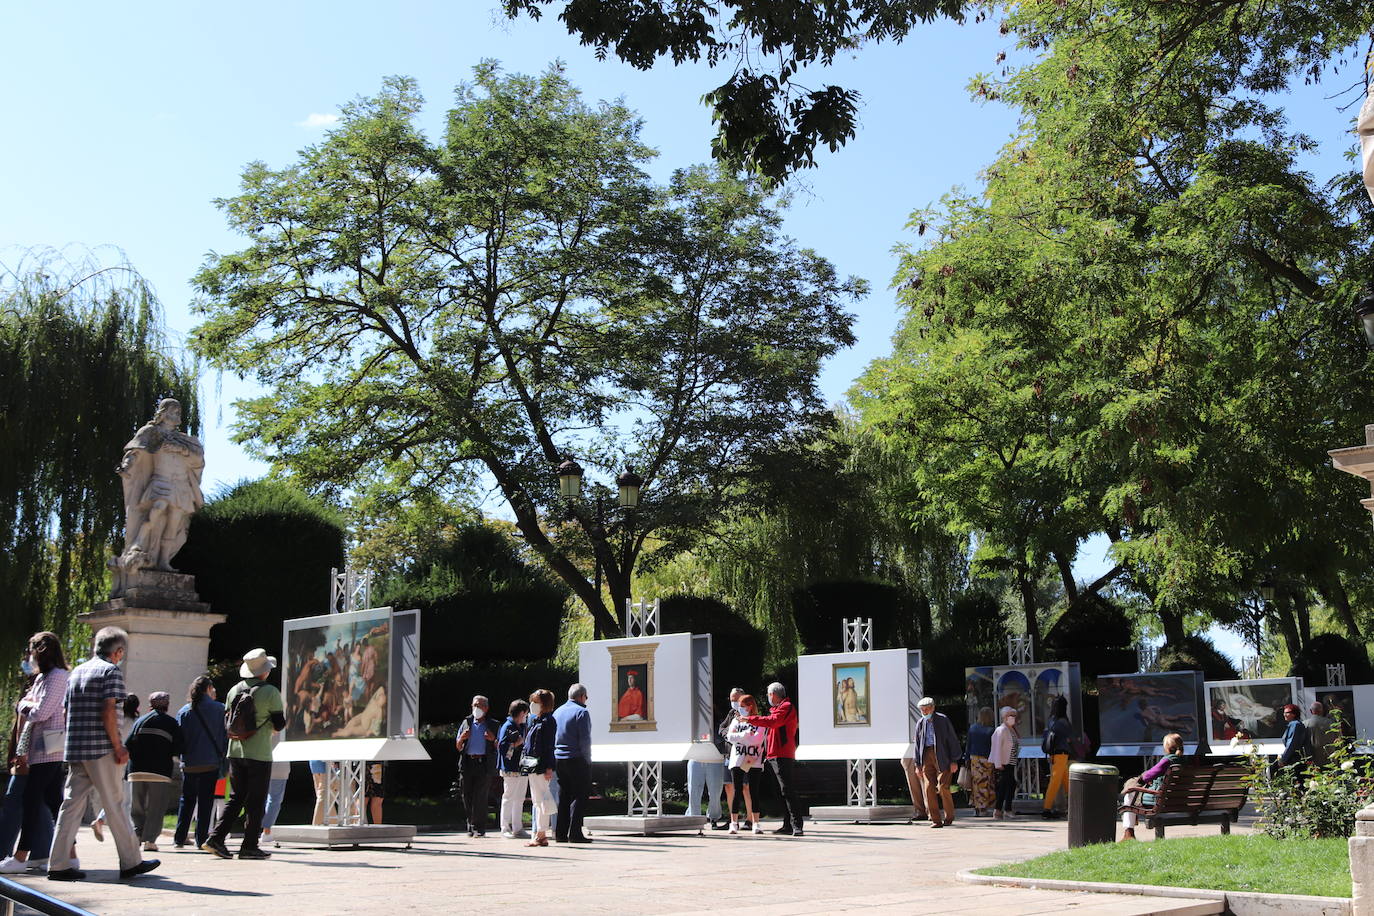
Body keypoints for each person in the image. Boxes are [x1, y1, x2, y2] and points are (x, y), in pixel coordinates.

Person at [46, 626, 159, 881]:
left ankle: (59, 863)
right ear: (118, 651)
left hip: (76, 748)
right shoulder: (111, 672)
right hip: (102, 748)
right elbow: (109, 711)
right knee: (116, 804)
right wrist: (118, 745)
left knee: (71, 806)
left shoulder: (77, 672)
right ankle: (131, 861)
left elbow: (67, 712)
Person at [203, 648, 285, 861]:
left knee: (236, 797)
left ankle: (216, 838)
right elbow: (279, 724)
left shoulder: (233, 690)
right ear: (265, 672)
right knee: (256, 801)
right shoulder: (271, 692)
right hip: (259, 753)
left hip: (235, 750)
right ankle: (249, 846)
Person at [0, 633, 71, 875]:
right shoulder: (42, 677)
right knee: (53, 801)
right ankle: (70, 855)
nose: (29, 656)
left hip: (49, 748)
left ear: (41, 651)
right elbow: (34, 705)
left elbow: (40, 711)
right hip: (39, 749)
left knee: (32, 801)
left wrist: (23, 705)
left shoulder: (58, 677)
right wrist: (28, 704)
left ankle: (21, 856)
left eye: (31, 650)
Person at [739, 682, 802, 837]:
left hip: (783, 754)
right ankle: (787, 825)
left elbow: (774, 722)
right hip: (774, 755)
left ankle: (797, 825)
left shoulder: (786, 707)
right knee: (780, 791)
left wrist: (750, 719)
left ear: (773, 694)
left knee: (787, 790)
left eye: (768, 694)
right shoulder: (777, 709)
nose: (768, 697)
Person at [126, 691, 183, 852]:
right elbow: (178, 747)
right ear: (167, 705)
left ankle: (137, 835)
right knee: (156, 808)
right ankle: (150, 841)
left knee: (137, 807)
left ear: (150, 704)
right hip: (159, 772)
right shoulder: (171, 723)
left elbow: (128, 744)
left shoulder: (139, 721)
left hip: (136, 770)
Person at [174, 675, 226, 849]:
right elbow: (224, 736)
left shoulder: (184, 711)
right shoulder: (219, 709)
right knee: (206, 801)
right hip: (211, 761)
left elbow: (178, 738)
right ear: (209, 689)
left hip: (189, 762)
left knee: (186, 800)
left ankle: (179, 838)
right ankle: (201, 839)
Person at [1118, 732, 1187, 841]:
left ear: (1167, 747)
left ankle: (1129, 833)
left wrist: (1141, 779)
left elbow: (1147, 776)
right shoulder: (1185, 761)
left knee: (1130, 793)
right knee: (1133, 792)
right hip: (1179, 798)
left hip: (1160, 799)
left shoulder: (1167, 761)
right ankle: (1129, 833)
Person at [91, 693, 140, 842]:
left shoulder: (118, 720)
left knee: (116, 795)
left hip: (114, 758)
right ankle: (123, 830)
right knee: (125, 799)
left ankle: (102, 819)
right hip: (128, 762)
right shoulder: (136, 722)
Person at [553, 683, 593, 844]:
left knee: (564, 796)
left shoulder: (558, 711)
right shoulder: (582, 712)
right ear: (582, 696)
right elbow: (585, 740)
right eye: (586, 697)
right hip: (576, 758)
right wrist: (588, 760)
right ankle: (575, 833)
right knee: (579, 796)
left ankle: (560, 833)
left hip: (559, 759)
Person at [912, 697, 961, 828]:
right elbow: (917, 745)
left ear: (933, 708)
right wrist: (917, 765)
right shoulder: (920, 723)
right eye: (922, 710)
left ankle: (949, 817)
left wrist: (954, 760)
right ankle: (935, 820)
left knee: (943, 787)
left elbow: (952, 739)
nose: (924, 711)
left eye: (927, 709)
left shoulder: (943, 720)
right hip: (927, 756)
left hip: (943, 756)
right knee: (928, 788)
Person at [456, 695, 500, 837]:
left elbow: (500, 745)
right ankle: (471, 825)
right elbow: (458, 746)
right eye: (475, 705)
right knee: (466, 795)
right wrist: (462, 738)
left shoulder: (493, 724)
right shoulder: (466, 722)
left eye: (480, 706)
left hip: (484, 764)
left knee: (481, 797)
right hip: (467, 762)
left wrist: (493, 739)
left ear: (486, 708)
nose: (477, 708)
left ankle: (479, 828)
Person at [725, 694, 768, 835]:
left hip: (753, 759)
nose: (741, 709)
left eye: (743, 706)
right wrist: (745, 735)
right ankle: (733, 823)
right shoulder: (736, 721)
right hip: (737, 759)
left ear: (750, 706)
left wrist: (742, 738)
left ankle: (756, 823)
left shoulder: (759, 721)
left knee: (754, 791)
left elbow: (757, 740)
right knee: (737, 791)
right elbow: (730, 737)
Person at [524, 690, 558, 848]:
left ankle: (541, 834)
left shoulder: (548, 721)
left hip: (541, 765)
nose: (532, 705)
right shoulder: (535, 720)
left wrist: (549, 767)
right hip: (532, 764)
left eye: (536, 702)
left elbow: (549, 746)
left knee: (542, 799)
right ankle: (540, 834)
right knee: (538, 800)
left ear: (544, 704)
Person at [711, 688, 745, 828]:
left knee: (746, 787)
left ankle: (750, 819)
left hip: (744, 754)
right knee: (729, 786)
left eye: (736, 699)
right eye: (731, 700)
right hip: (729, 754)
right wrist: (728, 734)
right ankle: (733, 820)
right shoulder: (731, 713)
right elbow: (722, 728)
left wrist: (733, 734)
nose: (733, 703)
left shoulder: (750, 713)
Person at [498, 700, 530, 839]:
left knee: (519, 798)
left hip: (521, 766)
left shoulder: (521, 726)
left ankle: (518, 828)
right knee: (509, 797)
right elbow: (502, 747)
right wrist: (516, 744)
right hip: (510, 768)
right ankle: (505, 827)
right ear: (522, 713)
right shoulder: (508, 726)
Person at [1040, 695, 1073, 819]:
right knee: (1055, 782)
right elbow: (1070, 737)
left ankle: (1073, 805)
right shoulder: (1063, 722)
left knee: (1066, 782)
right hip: (1061, 754)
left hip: (1054, 754)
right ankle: (1046, 809)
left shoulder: (1051, 720)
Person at [989, 706, 1020, 820]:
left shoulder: (1012, 729)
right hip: (1004, 763)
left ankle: (1002, 810)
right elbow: (996, 747)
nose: (1013, 718)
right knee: (1007, 784)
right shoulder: (1001, 730)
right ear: (1004, 717)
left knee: (1008, 785)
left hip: (1011, 762)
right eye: (1010, 715)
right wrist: (998, 763)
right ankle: (1002, 809)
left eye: (1014, 715)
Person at [261, 730, 291, 843]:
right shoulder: (286, 726)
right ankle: (267, 830)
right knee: (274, 800)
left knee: (261, 798)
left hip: (262, 764)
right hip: (280, 766)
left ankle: (256, 828)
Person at [965, 706, 996, 816]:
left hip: (974, 759)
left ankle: (976, 807)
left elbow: (968, 744)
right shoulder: (991, 730)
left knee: (976, 783)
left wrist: (967, 758)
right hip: (986, 759)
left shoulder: (973, 728)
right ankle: (983, 808)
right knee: (985, 783)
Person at [1272, 703, 1308, 777]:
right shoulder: (1294, 724)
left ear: (1294, 714)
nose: (1284, 714)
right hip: (1295, 757)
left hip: (1294, 758)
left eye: (1287, 713)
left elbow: (1291, 744)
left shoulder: (1295, 725)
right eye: (1284, 712)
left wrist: (1283, 759)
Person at [1304, 702, 1339, 767]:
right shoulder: (1331, 723)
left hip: (1313, 759)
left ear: (1311, 711)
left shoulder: (1305, 724)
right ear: (1322, 710)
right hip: (1330, 758)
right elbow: (1338, 739)